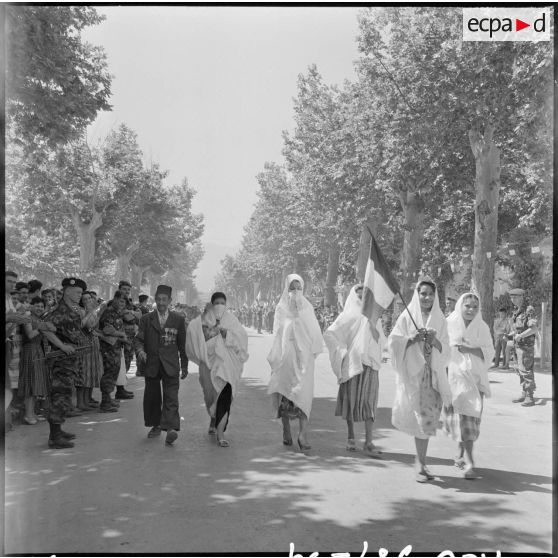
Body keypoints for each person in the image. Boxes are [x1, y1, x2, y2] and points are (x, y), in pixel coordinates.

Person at [387, 277, 451, 482]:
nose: (426, 297)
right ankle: (420, 463)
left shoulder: (440, 320)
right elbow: (393, 342)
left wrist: (435, 341)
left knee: (429, 419)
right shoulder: (407, 317)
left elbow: (447, 350)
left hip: (434, 374)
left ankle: (421, 461)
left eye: (430, 294)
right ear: (417, 294)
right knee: (423, 418)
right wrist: (411, 339)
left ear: (435, 296)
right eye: (423, 293)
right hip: (416, 375)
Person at [324, 284, 385, 457]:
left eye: (365, 295)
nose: (361, 298)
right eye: (358, 295)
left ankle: (369, 441)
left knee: (369, 404)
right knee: (351, 403)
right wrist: (343, 352)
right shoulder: (347, 316)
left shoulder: (375, 317)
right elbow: (330, 335)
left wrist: (373, 330)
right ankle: (351, 437)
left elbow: (381, 342)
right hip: (352, 365)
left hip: (370, 365)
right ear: (353, 297)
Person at [267, 274, 323, 451]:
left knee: (304, 395)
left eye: (299, 288)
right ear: (287, 289)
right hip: (287, 359)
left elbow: (315, 333)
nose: (296, 292)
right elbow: (277, 334)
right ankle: (286, 430)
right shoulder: (281, 308)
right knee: (285, 394)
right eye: (292, 288)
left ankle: (303, 434)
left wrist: (302, 314)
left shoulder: (307, 308)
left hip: (304, 360)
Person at [441, 293, 494, 479]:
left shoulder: (483, 327)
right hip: (455, 379)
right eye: (467, 306)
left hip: (475, 380)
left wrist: (469, 349)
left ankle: (465, 457)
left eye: (474, 307)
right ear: (460, 306)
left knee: (471, 419)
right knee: (462, 420)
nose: (471, 310)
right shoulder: (448, 323)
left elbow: (490, 351)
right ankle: (466, 459)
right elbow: (441, 348)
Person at [186, 292, 249, 447]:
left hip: (227, 367)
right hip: (207, 365)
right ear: (212, 304)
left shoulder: (232, 320)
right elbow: (194, 337)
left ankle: (220, 433)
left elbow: (241, 339)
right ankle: (212, 418)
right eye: (217, 303)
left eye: (222, 302)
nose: (220, 305)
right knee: (210, 397)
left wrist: (227, 334)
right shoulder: (202, 321)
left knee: (224, 397)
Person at [135, 285, 188, 446]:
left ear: (170, 301)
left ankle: (171, 428)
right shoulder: (146, 319)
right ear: (155, 300)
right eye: (158, 299)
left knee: (171, 396)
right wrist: (140, 351)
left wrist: (184, 366)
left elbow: (182, 345)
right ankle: (156, 425)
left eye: (164, 299)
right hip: (151, 364)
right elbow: (138, 340)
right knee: (152, 397)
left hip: (171, 365)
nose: (161, 302)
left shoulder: (178, 320)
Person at [41, 277, 88, 449]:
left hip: (70, 360)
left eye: (81, 293)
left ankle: (58, 430)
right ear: (67, 291)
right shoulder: (60, 310)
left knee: (65, 394)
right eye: (77, 292)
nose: (80, 295)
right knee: (60, 395)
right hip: (61, 360)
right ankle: (54, 437)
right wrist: (61, 345)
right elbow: (43, 327)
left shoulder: (72, 310)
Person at [18, 297, 51, 425]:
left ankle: (32, 413)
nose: (39, 308)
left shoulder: (40, 319)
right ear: (31, 306)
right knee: (30, 384)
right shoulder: (27, 318)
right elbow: (30, 335)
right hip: (30, 350)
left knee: (36, 383)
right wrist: (42, 327)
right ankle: (28, 414)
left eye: (41, 306)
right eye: (37, 306)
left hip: (38, 351)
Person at [98, 290, 128, 412]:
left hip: (114, 347)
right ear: (114, 299)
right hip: (108, 348)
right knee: (109, 374)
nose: (122, 304)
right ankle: (105, 403)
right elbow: (107, 330)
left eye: (124, 302)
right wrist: (121, 334)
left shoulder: (116, 313)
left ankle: (108, 399)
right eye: (120, 301)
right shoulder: (109, 313)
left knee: (113, 373)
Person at [508, 288, 538, 407]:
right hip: (518, 345)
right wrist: (512, 334)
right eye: (511, 297)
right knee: (520, 370)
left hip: (526, 346)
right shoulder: (516, 311)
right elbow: (518, 328)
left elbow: (534, 328)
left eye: (515, 297)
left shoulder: (528, 310)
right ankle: (524, 392)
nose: (512, 299)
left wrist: (520, 335)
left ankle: (530, 396)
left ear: (521, 297)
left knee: (526, 370)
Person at [76, 291, 103, 410]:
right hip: (84, 345)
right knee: (84, 374)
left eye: (89, 299)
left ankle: (87, 400)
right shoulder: (80, 311)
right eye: (84, 299)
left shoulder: (93, 311)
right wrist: (94, 312)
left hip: (93, 343)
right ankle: (81, 402)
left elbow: (95, 327)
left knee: (92, 373)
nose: (87, 301)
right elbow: (88, 326)